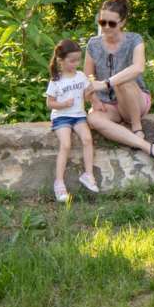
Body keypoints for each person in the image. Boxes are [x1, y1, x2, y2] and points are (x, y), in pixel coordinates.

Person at [84, 0, 154, 170]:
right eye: (102, 22)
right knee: (93, 119)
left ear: (122, 22)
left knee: (123, 80)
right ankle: (146, 146)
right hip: (109, 105)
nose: (105, 27)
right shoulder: (93, 44)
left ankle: (137, 127)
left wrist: (106, 83)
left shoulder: (134, 40)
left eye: (111, 23)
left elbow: (138, 68)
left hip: (134, 101)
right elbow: (87, 77)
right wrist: (94, 100)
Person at [46, 39, 100, 201]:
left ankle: (88, 175)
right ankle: (59, 183)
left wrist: (93, 96)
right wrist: (62, 104)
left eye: (78, 60)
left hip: (78, 116)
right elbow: (50, 103)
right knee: (66, 144)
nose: (76, 64)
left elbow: (86, 96)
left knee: (87, 138)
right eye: (72, 61)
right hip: (61, 117)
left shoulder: (81, 76)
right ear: (60, 60)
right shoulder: (56, 80)